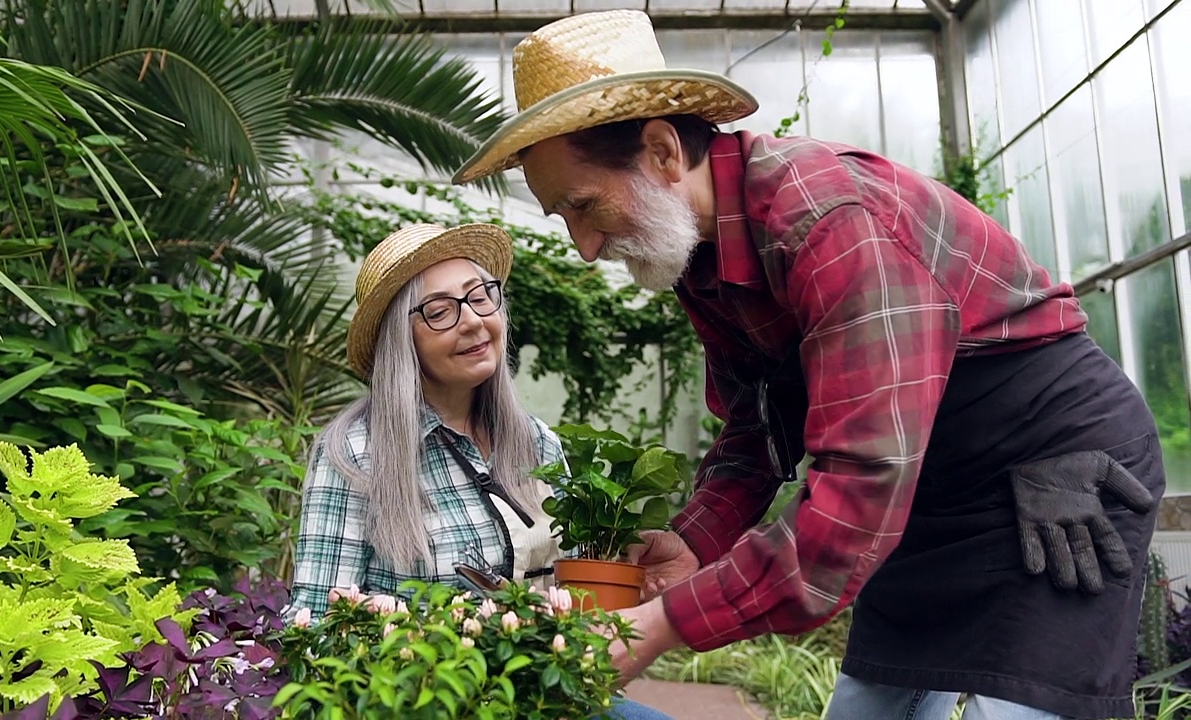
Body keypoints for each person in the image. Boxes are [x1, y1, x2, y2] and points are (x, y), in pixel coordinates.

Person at [452, 11, 1166, 720]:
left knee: (1017, 712)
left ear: (664, 152)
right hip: (922, 482)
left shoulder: (827, 221)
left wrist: (666, 623)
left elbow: (861, 481)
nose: (582, 246)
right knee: (866, 706)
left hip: (1050, 470)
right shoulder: (700, 259)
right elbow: (756, 431)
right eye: (563, 218)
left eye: (583, 205)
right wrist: (692, 543)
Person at [289, 222, 671, 720]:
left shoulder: (535, 442)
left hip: (544, 694)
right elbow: (314, 628)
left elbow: (575, 593)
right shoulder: (355, 454)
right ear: (401, 340)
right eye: (440, 311)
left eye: (480, 297)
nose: (471, 321)